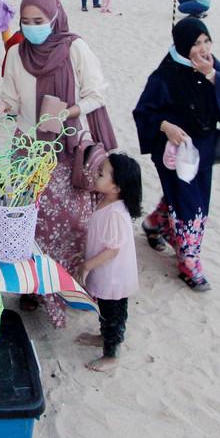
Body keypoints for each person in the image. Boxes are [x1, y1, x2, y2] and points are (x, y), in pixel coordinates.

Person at [0, 0, 115, 327]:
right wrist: (0, 108)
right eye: (26, 21)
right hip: (26, 149)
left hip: (65, 147)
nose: (32, 27)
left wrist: (69, 111)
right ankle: (33, 288)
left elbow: (96, 93)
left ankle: (66, 285)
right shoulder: (16, 52)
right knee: (28, 222)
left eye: (39, 21)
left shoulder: (75, 48)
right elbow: (11, 100)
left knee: (71, 222)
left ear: (54, 17)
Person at [133, 17, 220, 291]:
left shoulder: (211, 66)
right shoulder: (164, 76)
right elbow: (144, 111)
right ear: (182, 46)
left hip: (202, 150)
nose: (203, 48)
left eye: (206, 40)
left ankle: (154, 224)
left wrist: (212, 75)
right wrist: (166, 126)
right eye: (196, 43)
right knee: (190, 206)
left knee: (194, 198)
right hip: (172, 152)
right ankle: (189, 264)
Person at [75, 153, 142, 372]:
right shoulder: (105, 201)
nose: (97, 175)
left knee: (114, 314)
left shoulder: (116, 213)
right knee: (106, 308)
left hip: (113, 275)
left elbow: (113, 250)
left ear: (116, 188)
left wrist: (87, 265)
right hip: (106, 272)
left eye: (102, 174)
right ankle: (103, 337)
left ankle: (111, 354)